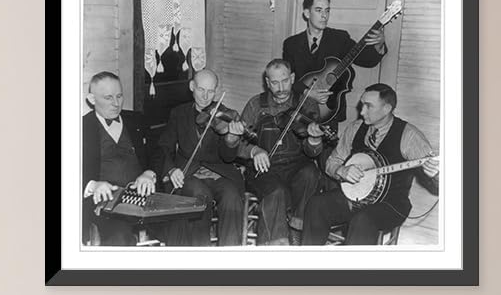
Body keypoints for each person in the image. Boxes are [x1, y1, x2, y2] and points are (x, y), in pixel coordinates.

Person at [302, 84, 439, 246]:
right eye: (362, 104)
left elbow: (440, 179)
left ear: (387, 108)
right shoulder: (355, 128)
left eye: (369, 106)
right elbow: (333, 161)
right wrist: (341, 170)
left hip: (390, 203)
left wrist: (436, 175)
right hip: (354, 198)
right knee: (316, 204)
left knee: (363, 220)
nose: (361, 112)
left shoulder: (409, 136)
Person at [233, 59, 325, 245]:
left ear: (292, 78)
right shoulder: (255, 104)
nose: (280, 88)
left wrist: (314, 140)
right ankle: (276, 245)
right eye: (274, 83)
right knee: (276, 191)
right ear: (267, 82)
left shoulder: (307, 105)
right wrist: (255, 150)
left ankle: (297, 230)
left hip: (296, 165)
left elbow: (312, 152)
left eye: (284, 81)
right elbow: (238, 143)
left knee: (310, 173)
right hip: (264, 170)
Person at [155, 68, 246, 247]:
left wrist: (232, 139)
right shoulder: (178, 113)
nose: (205, 97)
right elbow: (164, 146)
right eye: (201, 90)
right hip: (190, 174)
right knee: (200, 195)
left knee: (232, 196)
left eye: (211, 91)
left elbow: (228, 157)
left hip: (219, 173)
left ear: (217, 91)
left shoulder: (227, 116)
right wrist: (171, 169)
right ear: (191, 86)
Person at [281, 0, 388, 130]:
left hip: (329, 110)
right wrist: (309, 93)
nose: (324, 16)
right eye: (319, 10)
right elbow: (288, 77)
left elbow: (366, 60)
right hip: (299, 107)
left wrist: (379, 44)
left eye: (327, 10)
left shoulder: (340, 39)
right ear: (307, 13)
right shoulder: (291, 43)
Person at [81, 72, 158, 246]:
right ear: (92, 99)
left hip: (143, 197)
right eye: (108, 98)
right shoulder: (79, 128)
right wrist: (93, 185)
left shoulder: (137, 120)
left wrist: (149, 172)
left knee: (181, 224)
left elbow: (158, 152)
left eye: (119, 96)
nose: (116, 104)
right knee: (120, 237)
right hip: (104, 205)